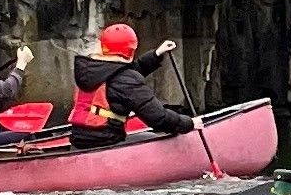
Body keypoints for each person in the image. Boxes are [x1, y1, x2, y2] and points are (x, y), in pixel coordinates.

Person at [64, 22, 196, 145]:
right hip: (106, 140)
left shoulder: (91, 69)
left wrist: (156, 54)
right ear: (130, 51)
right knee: (151, 137)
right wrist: (190, 123)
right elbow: (159, 119)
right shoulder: (124, 79)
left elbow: (124, 75)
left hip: (79, 139)